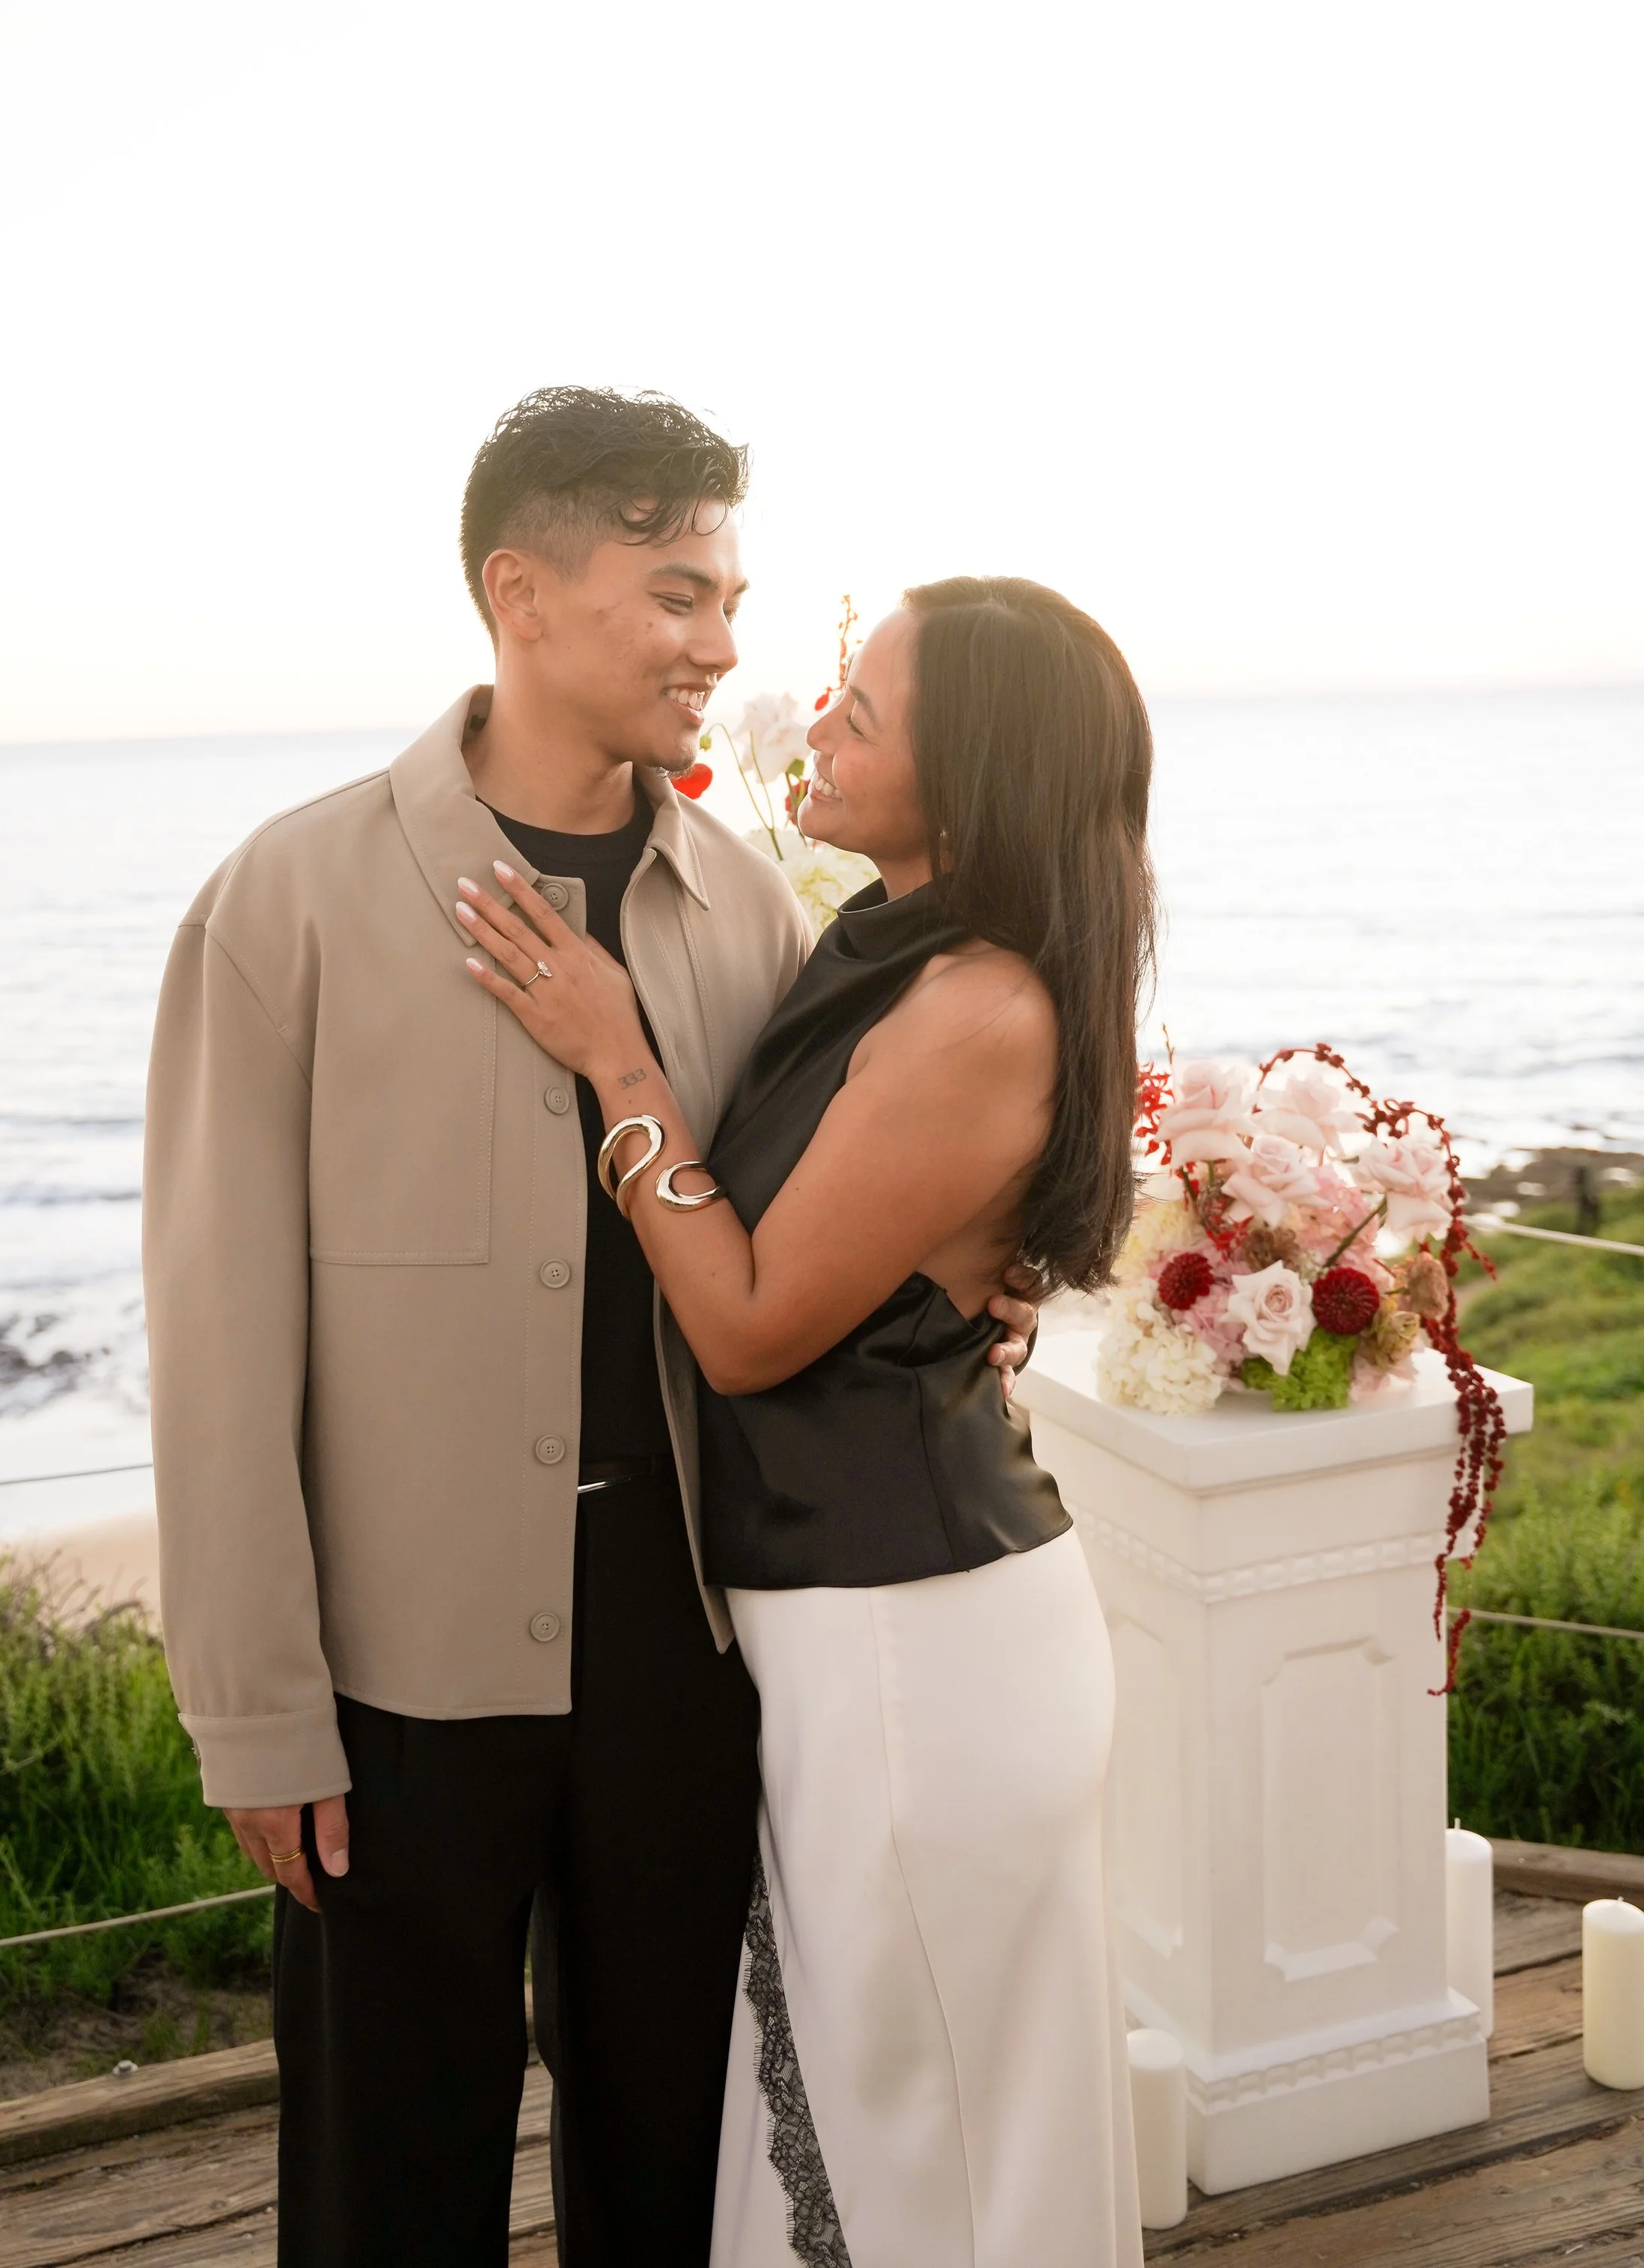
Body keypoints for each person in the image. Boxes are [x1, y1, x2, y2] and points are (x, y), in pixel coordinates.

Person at [142, 388, 1036, 2267]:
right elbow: (216, 1339)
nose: (724, 646)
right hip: (393, 1682)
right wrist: (255, 1709)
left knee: (677, 2169)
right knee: (388, 2184)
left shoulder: (747, 914)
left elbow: (819, 1224)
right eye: (676, 592)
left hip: (690, 1654)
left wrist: (980, 1275)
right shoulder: (282, 902)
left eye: (732, 597)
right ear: (519, 592)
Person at [456, 573, 1155, 2268]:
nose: (816, 720)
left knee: (912, 2142)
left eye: (864, 708)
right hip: (858, 1635)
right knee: (873, 2113)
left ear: (969, 769)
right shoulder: (883, 942)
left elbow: (754, 1328)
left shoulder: (977, 1004)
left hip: (916, 1646)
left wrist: (618, 1069)